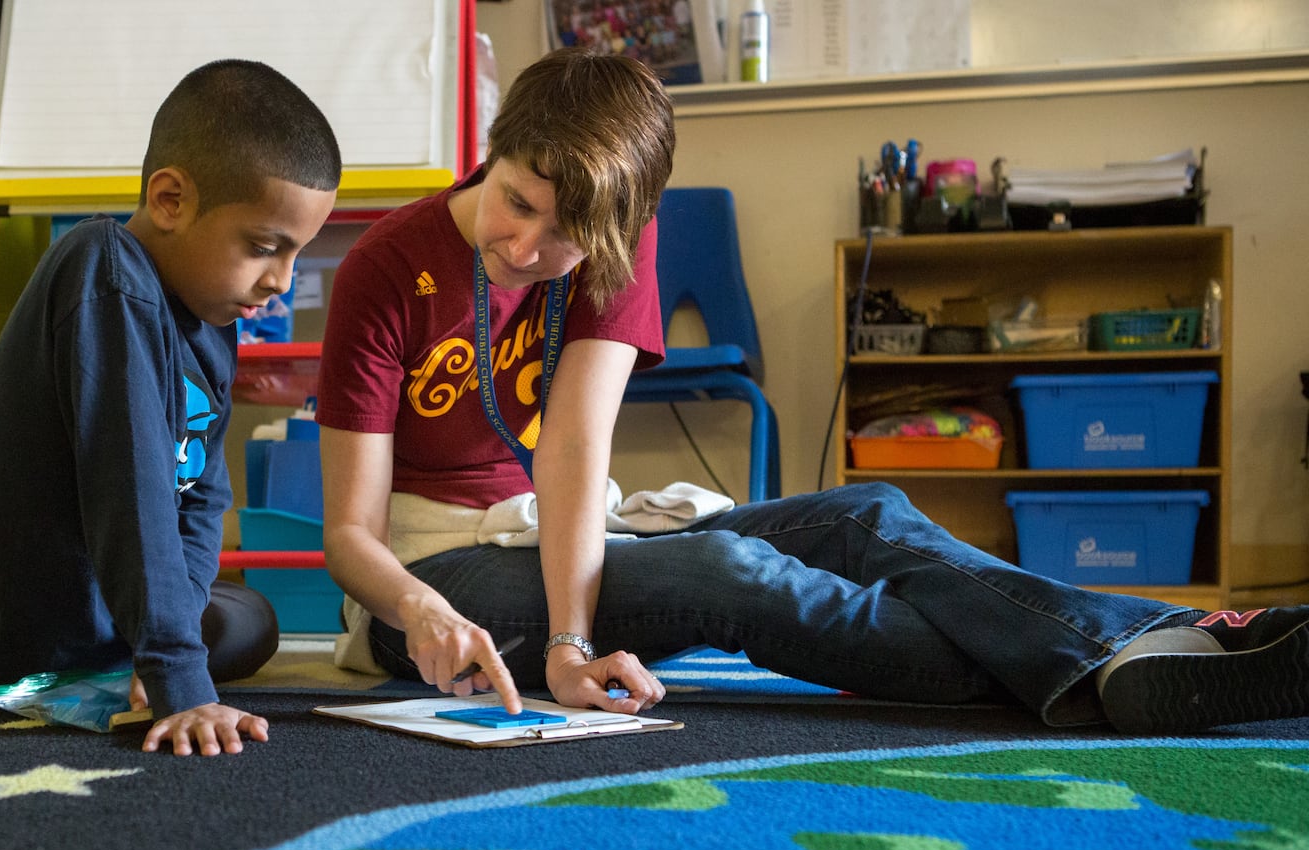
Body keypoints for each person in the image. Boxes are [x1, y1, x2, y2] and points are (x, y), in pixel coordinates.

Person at [314, 45, 1309, 736]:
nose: (529, 249)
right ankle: (1110, 670)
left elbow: (574, 448)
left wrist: (572, 637)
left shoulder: (616, 231)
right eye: (517, 204)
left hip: (555, 531)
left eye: (562, 235)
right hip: (442, 577)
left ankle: (1157, 644)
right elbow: (349, 536)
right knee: (732, 575)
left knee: (867, 512)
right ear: (495, 147)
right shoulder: (385, 268)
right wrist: (430, 614)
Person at [0, 59, 341, 756]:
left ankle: (137, 648)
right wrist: (179, 676)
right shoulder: (103, 269)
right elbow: (131, 483)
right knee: (196, 640)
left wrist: (178, 624)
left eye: (297, 255)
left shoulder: (212, 317)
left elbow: (201, 493)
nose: (281, 283)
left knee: (252, 620)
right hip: (29, 611)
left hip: (116, 610)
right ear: (170, 199)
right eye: (265, 248)